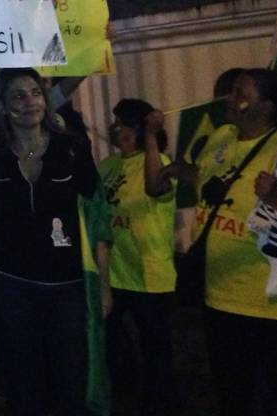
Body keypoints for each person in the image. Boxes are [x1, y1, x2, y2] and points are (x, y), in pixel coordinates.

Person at [166, 68, 277, 416]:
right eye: (231, 91)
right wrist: (171, 164)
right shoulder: (222, 137)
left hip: (275, 304)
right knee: (233, 394)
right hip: (220, 298)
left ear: (267, 107)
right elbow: (206, 178)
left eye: (240, 94)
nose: (228, 99)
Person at [0, 68, 111, 416]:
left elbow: (97, 216)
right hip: (9, 283)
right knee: (21, 378)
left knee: (70, 377)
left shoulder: (72, 149)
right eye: (18, 95)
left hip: (66, 284)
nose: (29, 102)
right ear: (2, 106)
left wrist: (104, 285)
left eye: (35, 93)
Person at [99, 98, 177, 415]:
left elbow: (156, 188)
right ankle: (127, 392)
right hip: (115, 273)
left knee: (155, 347)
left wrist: (151, 138)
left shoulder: (159, 161)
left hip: (149, 274)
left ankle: (161, 403)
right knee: (113, 340)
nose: (115, 128)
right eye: (114, 122)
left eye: (122, 123)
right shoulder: (108, 166)